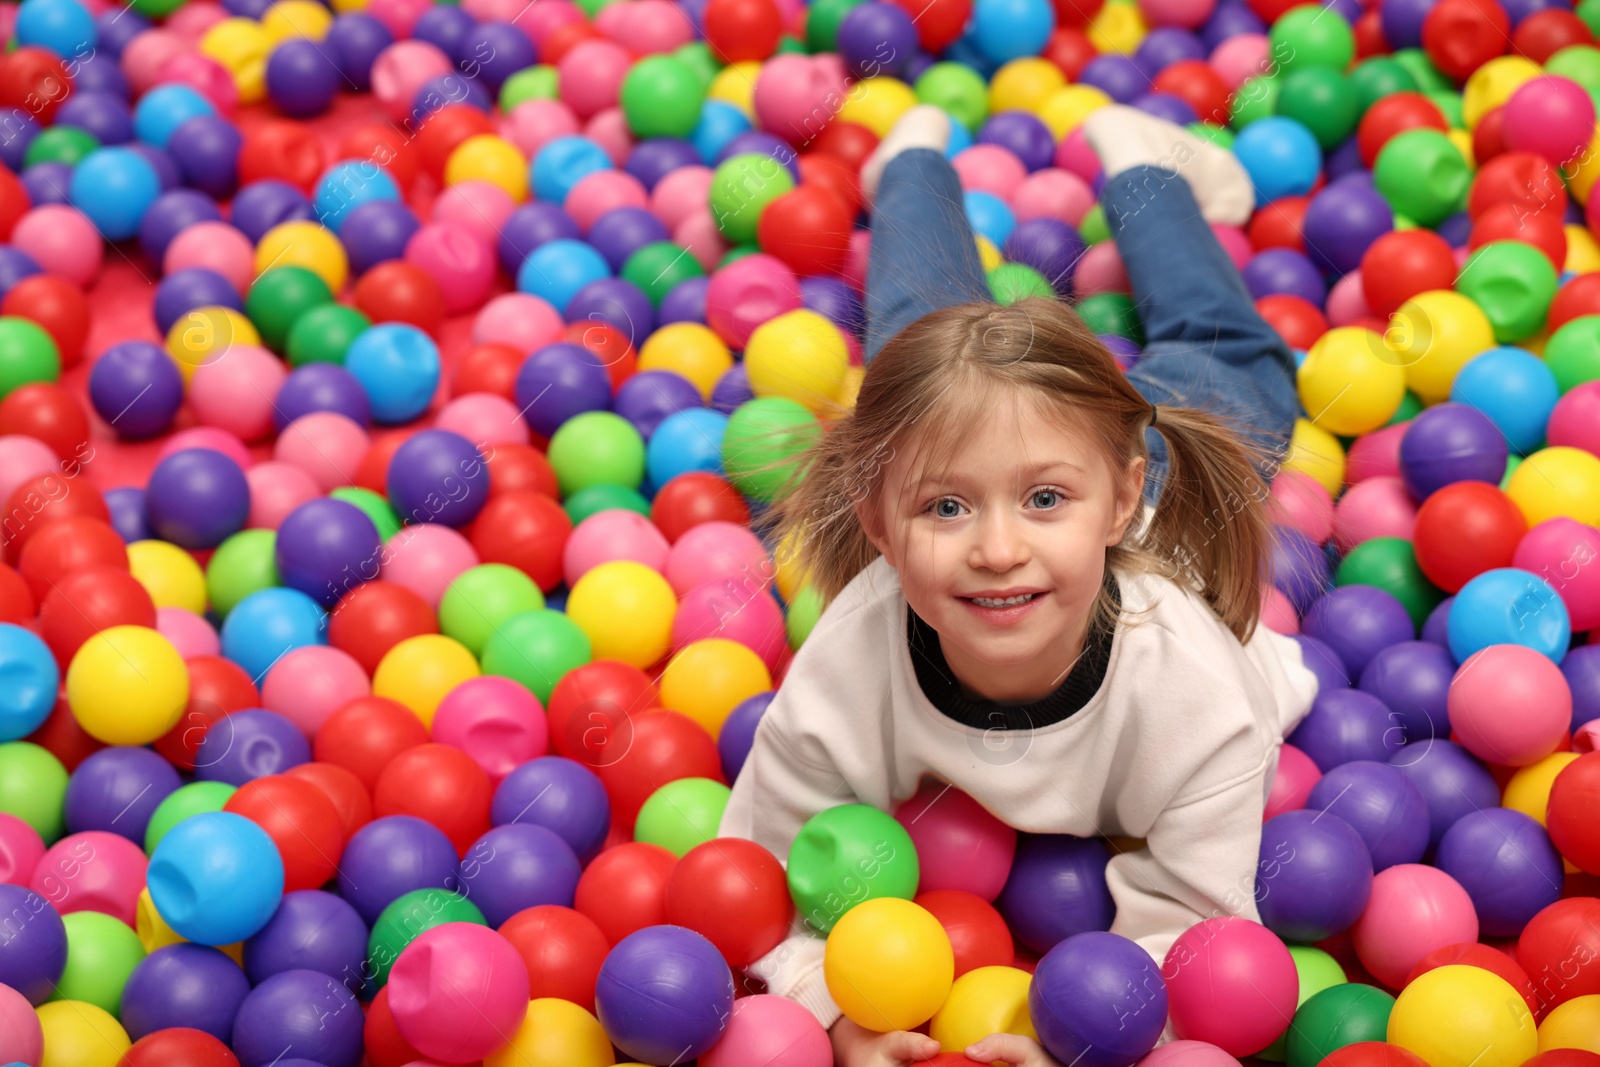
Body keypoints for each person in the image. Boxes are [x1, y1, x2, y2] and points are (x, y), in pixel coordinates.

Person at [717, 103, 1320, 1067]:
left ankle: (1143, 171)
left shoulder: (1195, 692)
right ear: (877, 522)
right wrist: (840, 1009)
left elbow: (1194, 928)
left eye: (1042, 500)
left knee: (1235, 361)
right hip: (1040, 453)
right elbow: (768, 870)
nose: (998, 550)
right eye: (945, 510)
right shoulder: (851, 656)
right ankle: (911, 159)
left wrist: (1080, 1038)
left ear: (1116, 501)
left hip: (1159, 484)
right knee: (928, 345)